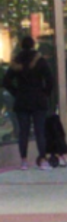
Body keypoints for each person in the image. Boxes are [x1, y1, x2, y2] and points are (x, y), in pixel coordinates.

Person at [2, 36, 54, 171]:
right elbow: (50, 79)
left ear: (20, 45)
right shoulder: (40, 61)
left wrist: (16, 92)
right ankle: (42, 160)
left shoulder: (16, 62)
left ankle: (24, 161)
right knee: (39, 131)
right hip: (38, 100)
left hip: (22, 100)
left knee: (23, 132)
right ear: (33, 45)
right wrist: (45, 93)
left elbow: (6, 81)